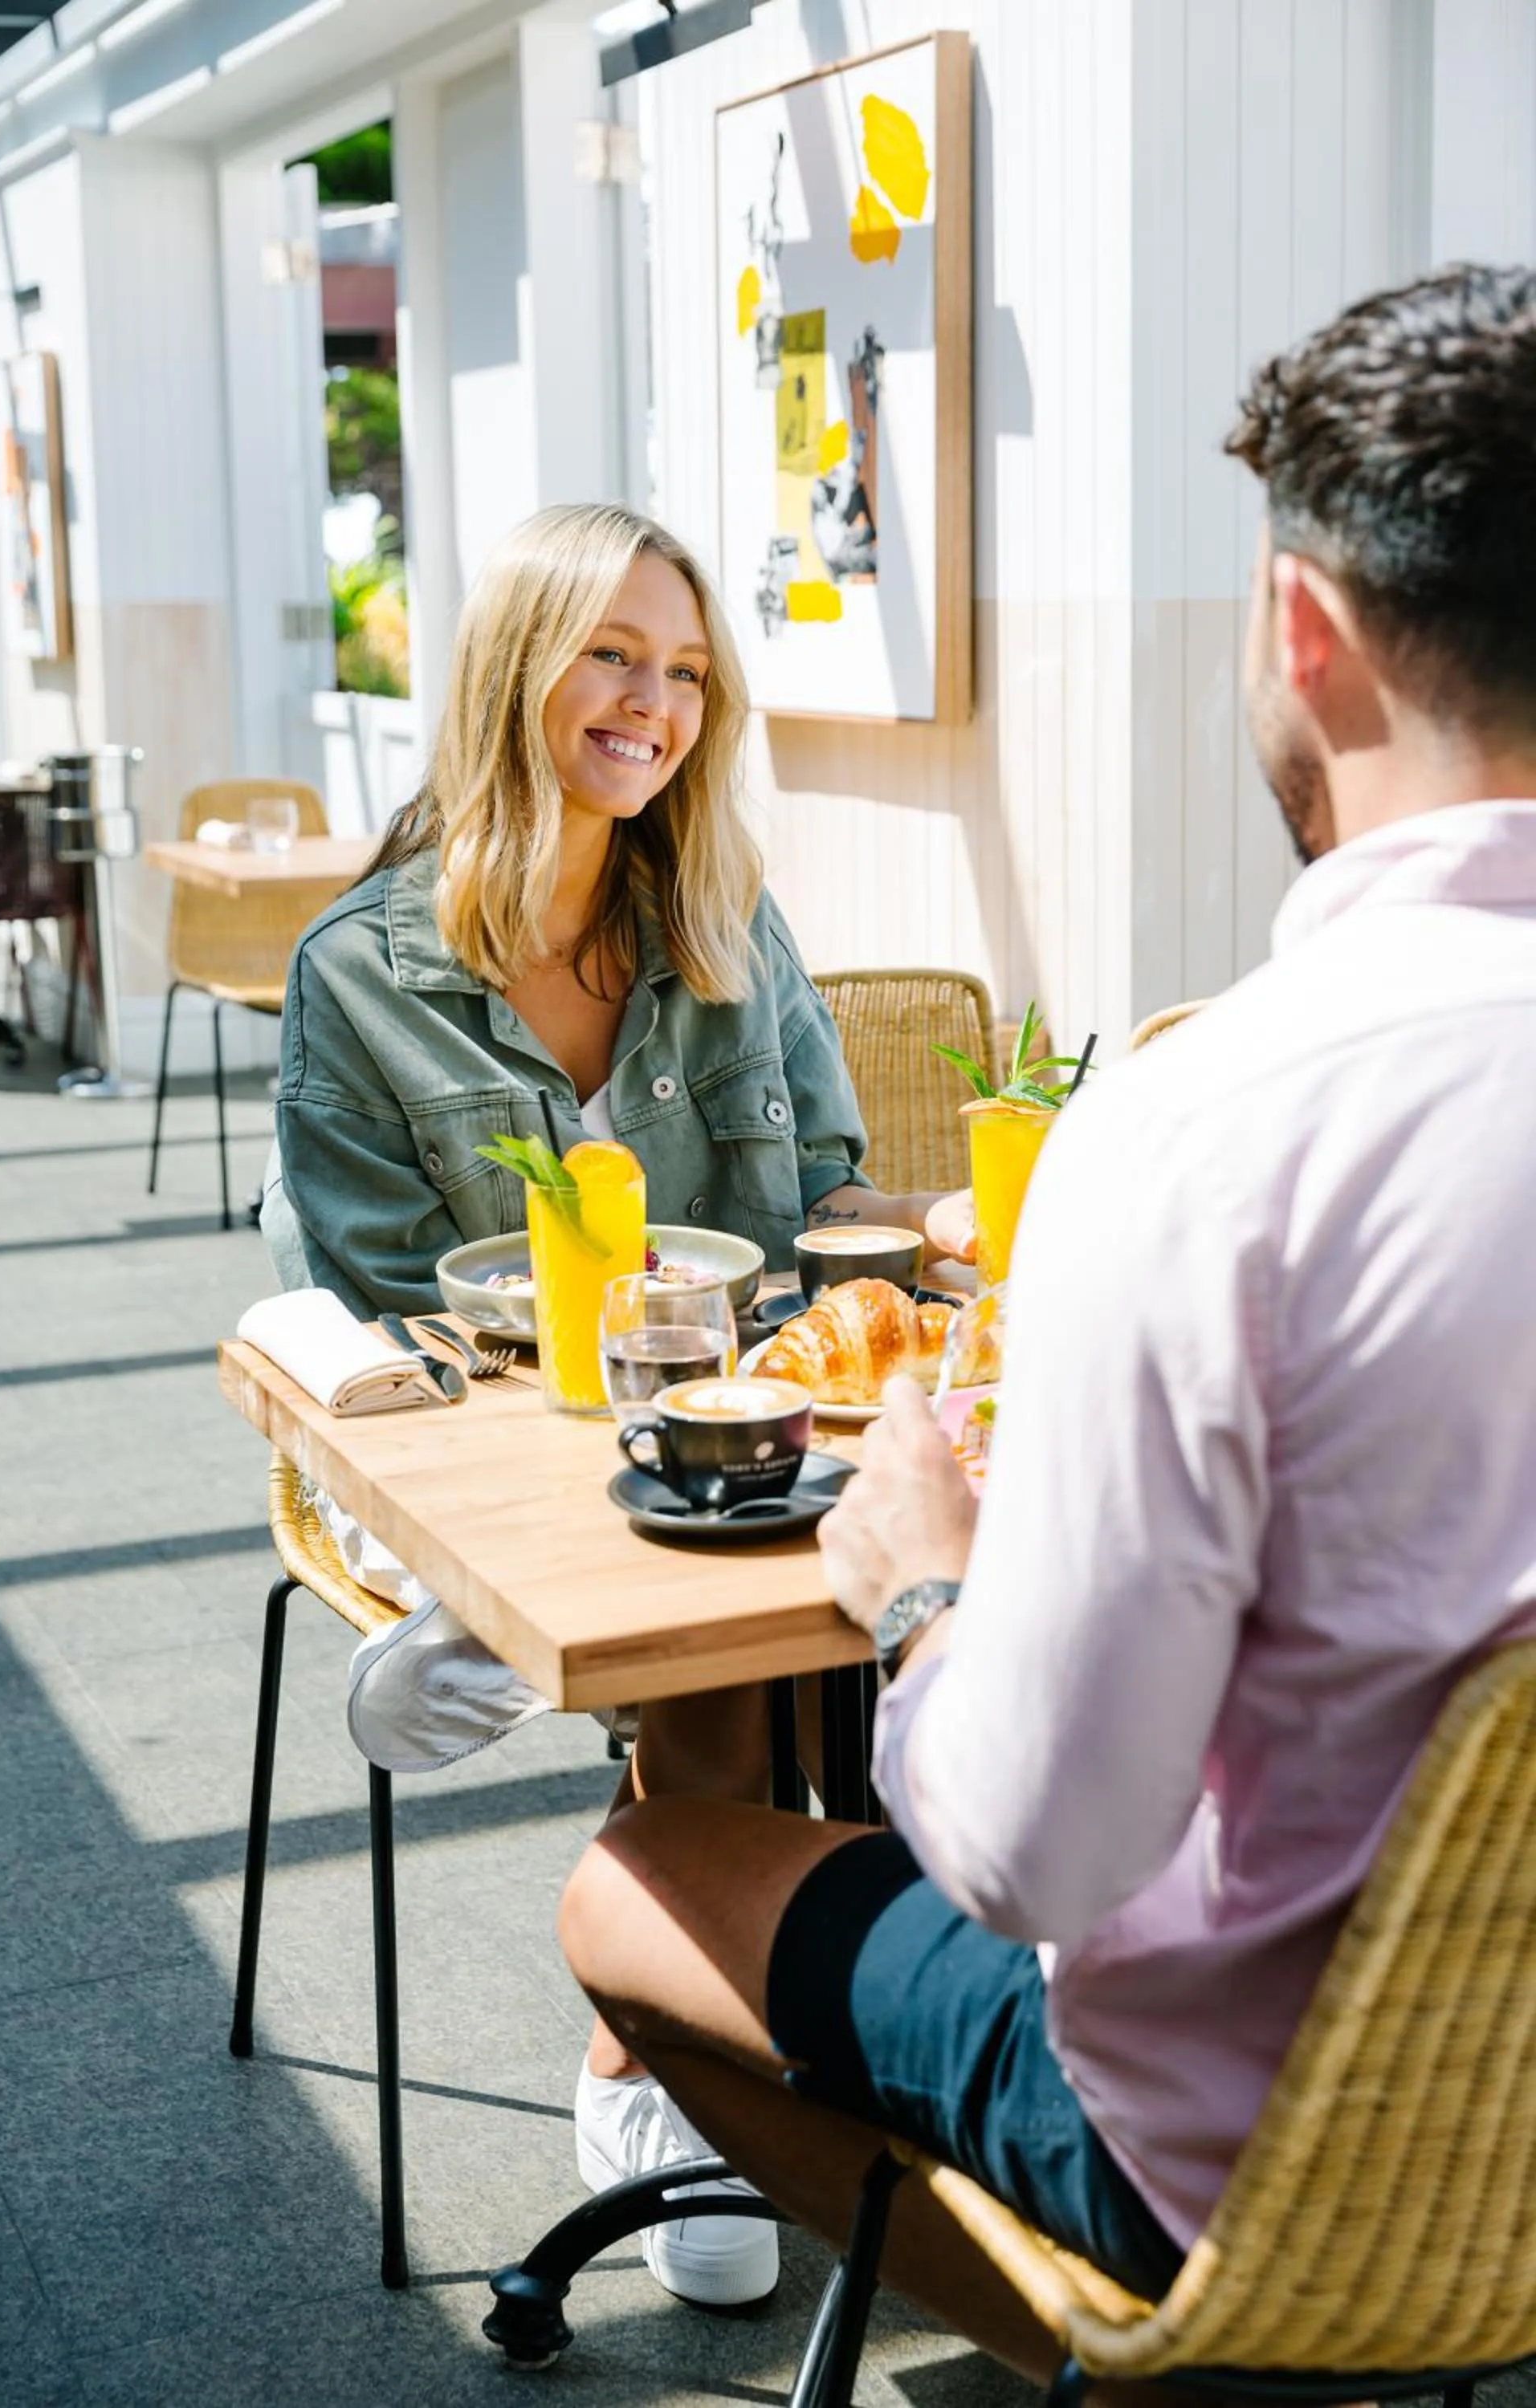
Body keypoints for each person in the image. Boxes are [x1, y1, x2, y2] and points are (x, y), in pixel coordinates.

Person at [557, 262, 1536, 2366]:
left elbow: (1033, 1855)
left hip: (1263, 2169)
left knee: (631, 1877)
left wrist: (925, 1593)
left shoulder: (1215, 1135)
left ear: (1304, 630)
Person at [259, 500, 968, 2309]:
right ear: (520, 666)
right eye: (614, 655)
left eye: (685, 672)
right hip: (484, 1426)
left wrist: (913, 1246)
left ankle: (758, 1983)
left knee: (895, 1577)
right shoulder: (360, 972)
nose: (652, 704)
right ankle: (652, 2062)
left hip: (725, 1428)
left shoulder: (725, 918)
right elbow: (381, 1294)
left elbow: (818, 1197)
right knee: (728, 1633)